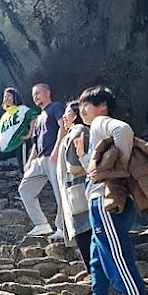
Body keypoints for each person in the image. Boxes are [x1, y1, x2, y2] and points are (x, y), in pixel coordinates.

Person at [74, 85, 148, 295]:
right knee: (100, 258)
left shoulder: (101, 122)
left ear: (102, 105)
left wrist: (118, 166)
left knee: (120, 261)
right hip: (106, 202)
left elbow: (123, 131)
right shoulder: (96, 130)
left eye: (85, 104)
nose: (81, 110)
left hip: (107, 203)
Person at [18, 83, 65, 239]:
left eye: (38, 93)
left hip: (54, 156)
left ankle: (62, 227)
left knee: (60, 192)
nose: (36, 97)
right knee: (25, 188)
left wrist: (57, 150)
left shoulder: (56, 107)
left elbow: (63, 127)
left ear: (47, 92)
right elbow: (36, 144)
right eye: (33, 95)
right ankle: (41, 224)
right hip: (40, 159)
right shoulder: (38, 118)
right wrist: (30, 161)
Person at [0, 87, 36, 193]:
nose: (6, 98)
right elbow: (2, 134)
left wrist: (29, 134)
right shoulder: (4, 117)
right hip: (6, 147)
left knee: (23, 167)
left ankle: (29, 188)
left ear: (15, 98)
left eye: (9, 96)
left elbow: (34, 117)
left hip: (19, 143)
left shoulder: (22, 109)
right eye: (4, 96)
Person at [56, 101, 92, 272]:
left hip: (79, 191)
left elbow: (74, 166)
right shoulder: (76, 132)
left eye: (67, 113)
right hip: (78, 192)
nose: (64, 117)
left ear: (76, 115)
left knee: (86, 237)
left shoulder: (78, 131)